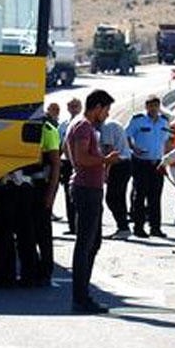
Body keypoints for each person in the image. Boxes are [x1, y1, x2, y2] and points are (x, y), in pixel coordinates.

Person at [66, 89, 120, 313]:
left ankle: (83, 292)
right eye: (106, 110)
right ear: (97, 107)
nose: (106, 115)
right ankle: (81, 296)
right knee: (85, 244)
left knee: (92, 242)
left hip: (89, 188)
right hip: (86, 189)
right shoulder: (84, 127)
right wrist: (106, 160)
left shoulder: (82, 126)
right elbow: (81, 158)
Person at [23, 111, 62, 285]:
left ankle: (45, 273)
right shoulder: (23, 126)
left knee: (43, 234)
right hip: (24, 186)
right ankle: (29, 271)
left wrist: (50, 195)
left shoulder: (48, 130)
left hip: (41, 187)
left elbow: (55, 165)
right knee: (26, 232)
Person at [125, 94, 171, 238]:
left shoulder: (164, 121)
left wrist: (166, 158)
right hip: (141, 162)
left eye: (156, 106)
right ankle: (139, 227)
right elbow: (126, 135)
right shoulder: (138, 120)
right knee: (140, 195)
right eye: (151, 106)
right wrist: (133, 148)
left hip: (157, 163)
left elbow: (167, 140)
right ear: (146, 107)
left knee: (155, 196)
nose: (153, 109)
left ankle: (155, 227)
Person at [100, 118, 133, 239]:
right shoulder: (113, 124)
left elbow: (110, 151)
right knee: (119, 197)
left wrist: (105, 171)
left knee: (112, 198)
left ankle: (123, 227)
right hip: (125, 163)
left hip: (118, 164)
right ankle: (123, 227)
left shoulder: (106, 127)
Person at [58, 97, 82, 234]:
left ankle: (80, 225)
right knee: (68, 194)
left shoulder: (84, 123)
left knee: (80, 195)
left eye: (76, 106)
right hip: (66, 162)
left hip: (80, 161)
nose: (73, 108)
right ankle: (72, 226)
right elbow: (59, 145)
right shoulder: (63, 125)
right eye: (71, 106)